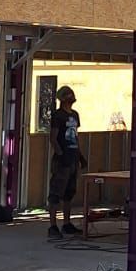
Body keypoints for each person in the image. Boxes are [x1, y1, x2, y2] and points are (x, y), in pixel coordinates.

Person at [47, 84, 82, 238]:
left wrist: (80, 156)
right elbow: (53, 138)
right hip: (62, 161)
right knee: (56, 193)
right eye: (69, 95)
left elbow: (75, 136)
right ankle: (53, 226)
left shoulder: (75, 115)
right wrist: (61, 154)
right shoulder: (58, 115)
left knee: (69, 193)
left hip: (73, 158)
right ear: (64, 98)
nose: (72, 97)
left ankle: (66, 224)